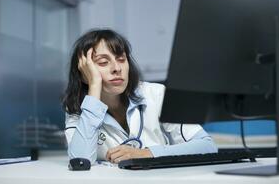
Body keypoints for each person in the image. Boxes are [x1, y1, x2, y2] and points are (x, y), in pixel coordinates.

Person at [62, 29, 217, 165]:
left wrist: (147, 154)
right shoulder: (77, 108)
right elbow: (80, 161)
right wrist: (94, 85)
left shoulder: (156, 94)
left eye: (121, 59)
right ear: (84, 73)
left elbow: (207, 146)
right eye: (103, 62)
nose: (117, 68)